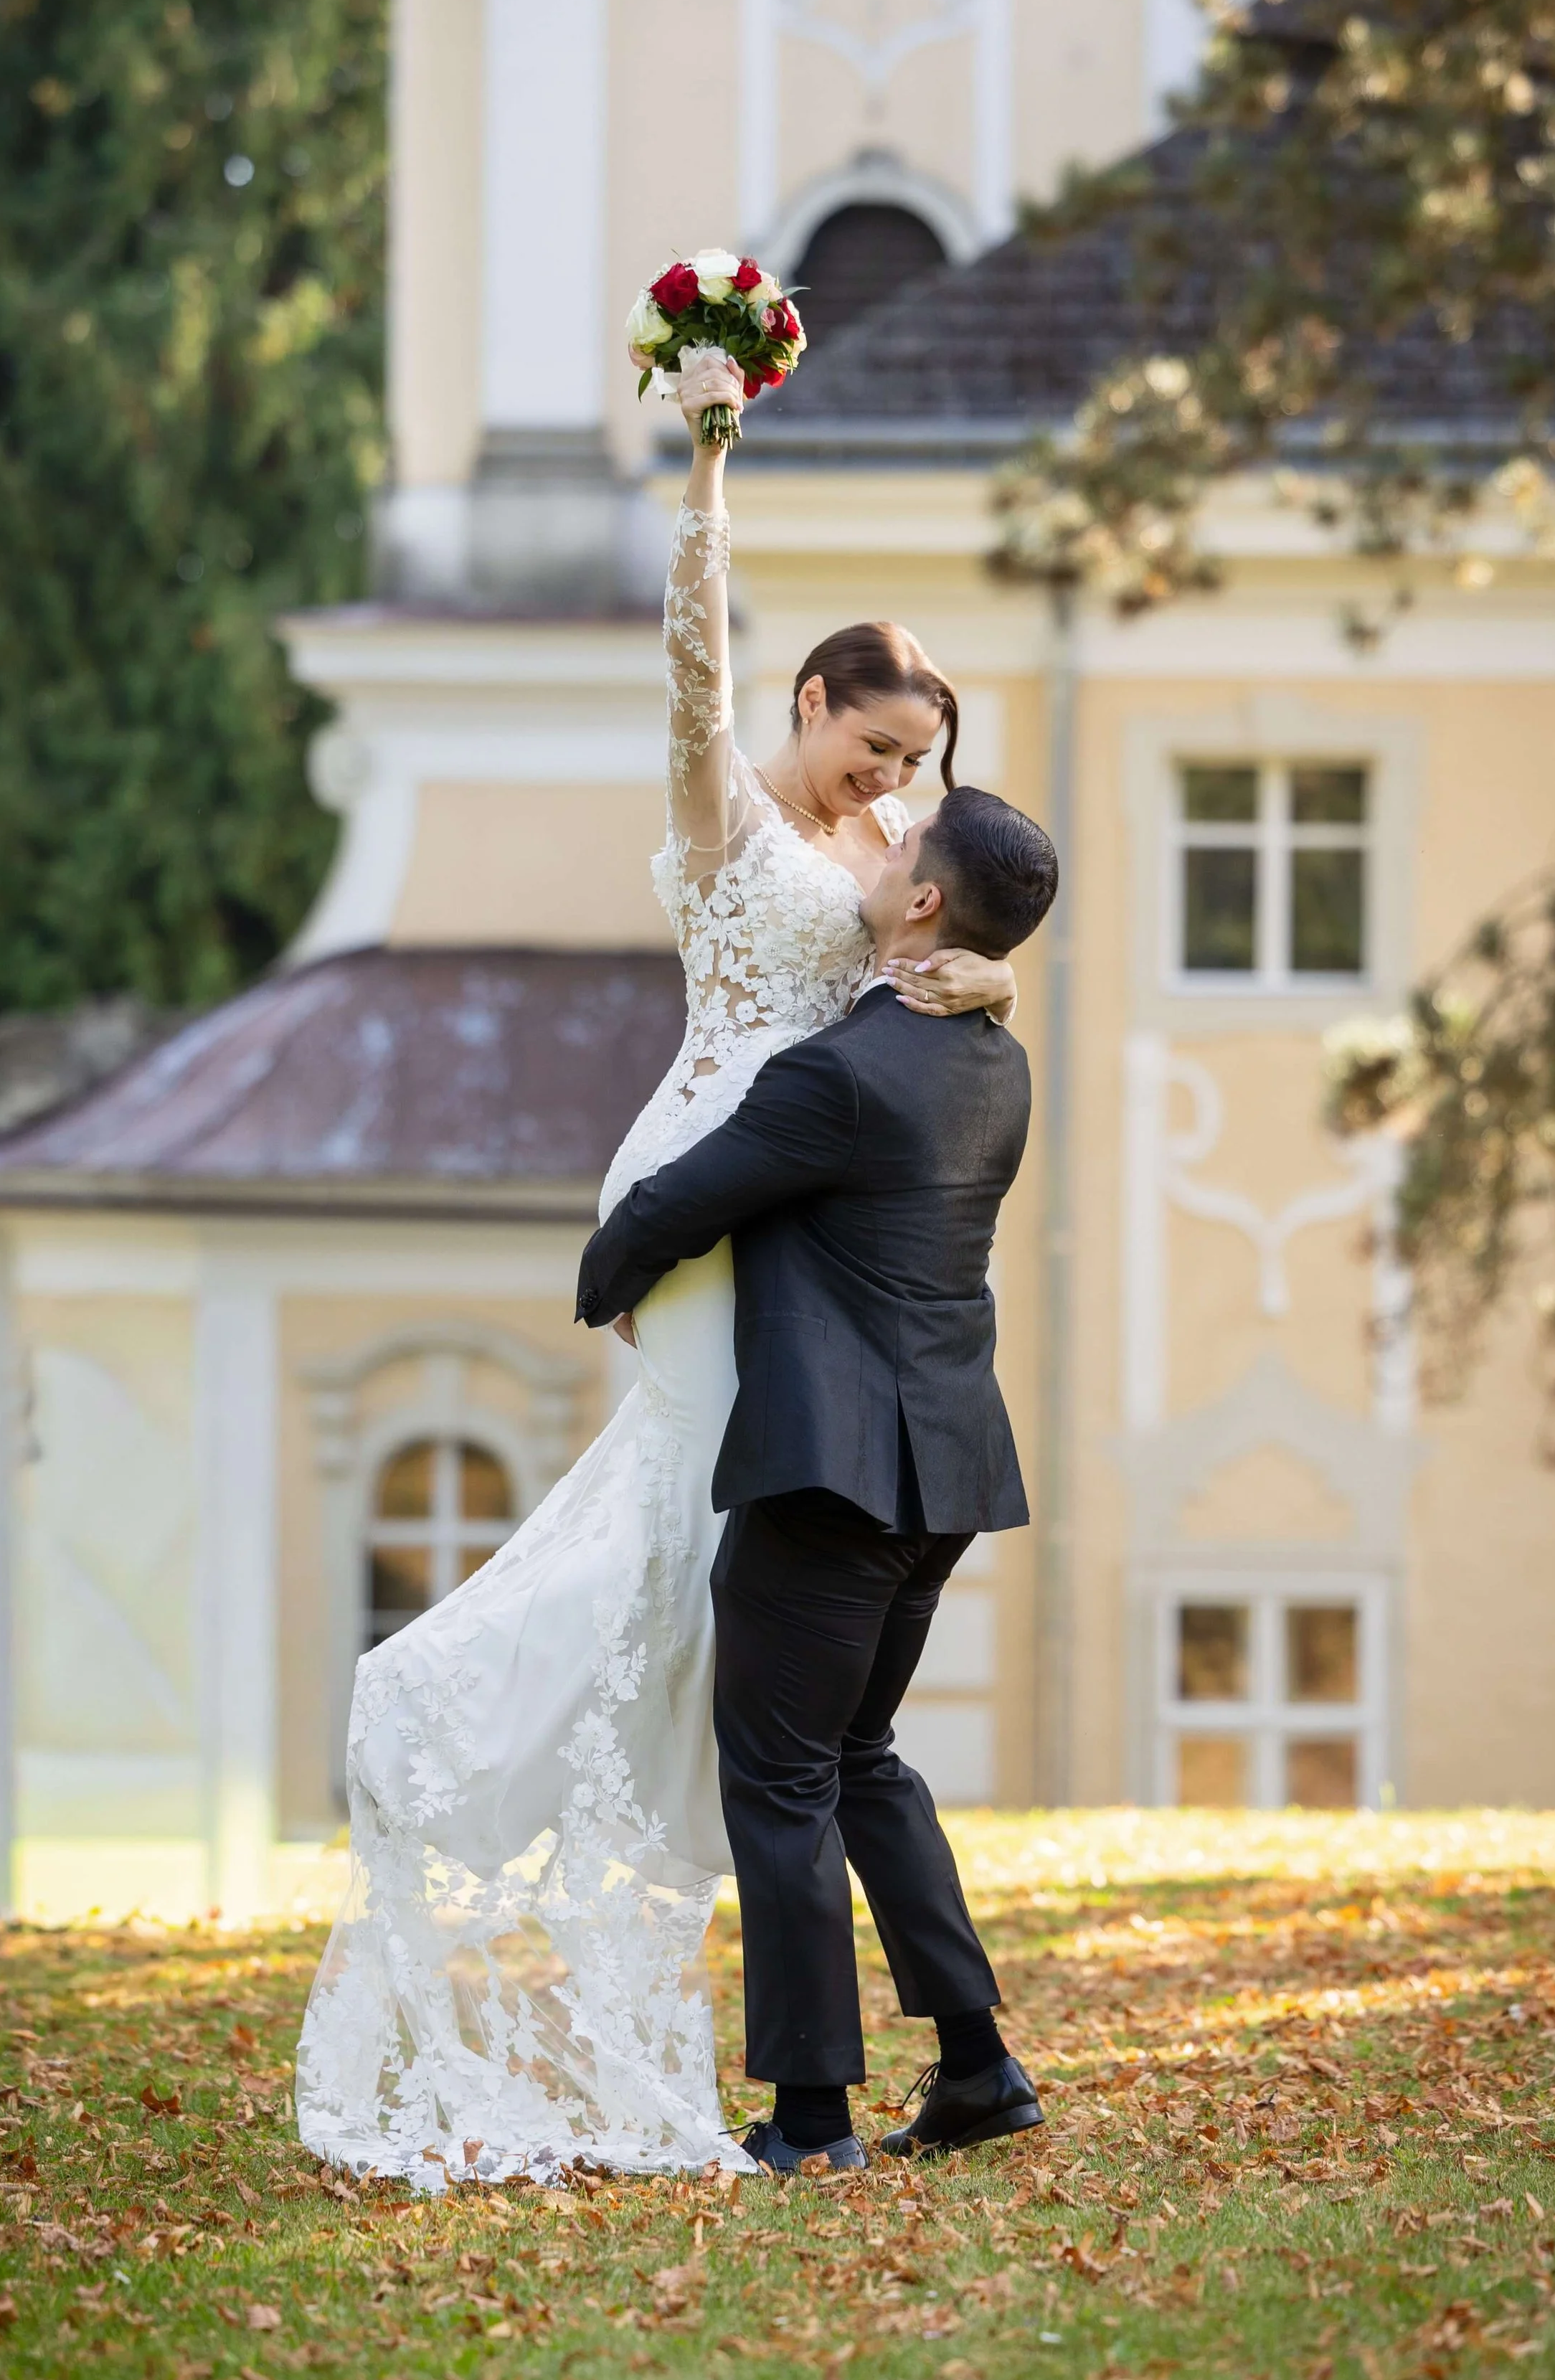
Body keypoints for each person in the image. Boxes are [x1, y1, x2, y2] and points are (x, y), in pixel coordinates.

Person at [294, 354, 1017, 2186]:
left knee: (742, 1579)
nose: (890, 784)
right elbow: (690, 665)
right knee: (701, 1533)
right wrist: (707, 474)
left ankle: (749, 1816)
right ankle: (545, 1743)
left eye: (914, 765)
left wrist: (994, 973)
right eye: (870, 746)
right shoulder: (729, 819)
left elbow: (963, 915)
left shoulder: (888, 852)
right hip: (703, 1184)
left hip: (794, 1205)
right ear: (810, 701)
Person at [577, 782, 1059, 2168]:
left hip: (834, 1475)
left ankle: (808, 2120)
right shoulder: (1001, 1063)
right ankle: (978, 2068)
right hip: (946, 1470)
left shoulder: (836, 1076)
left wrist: (607, 1274)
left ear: (926, 901)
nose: (882, 840)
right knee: (858, 1758)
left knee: (783, 1777)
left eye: (903, 844)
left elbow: (684, 1199)